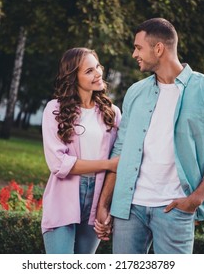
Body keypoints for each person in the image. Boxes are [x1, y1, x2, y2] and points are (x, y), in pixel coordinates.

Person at [94, 18, 204, 254]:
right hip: (130, 209)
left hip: (175, 209)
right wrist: (104, 203)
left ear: (158, 48)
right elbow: (120, 150)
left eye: (138, 47)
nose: (134, 54)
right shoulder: (136, 93)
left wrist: (194, 200)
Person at [41, 47, 121, 254]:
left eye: (97, 67)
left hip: (98, 196)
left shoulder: (112, 113)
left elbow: (119, 161)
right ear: (73, 78)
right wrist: (107, 164)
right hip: (63, 196)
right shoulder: (54, 109)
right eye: (88, 71)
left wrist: (106, 205)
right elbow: (59, 164)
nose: (98, 74)